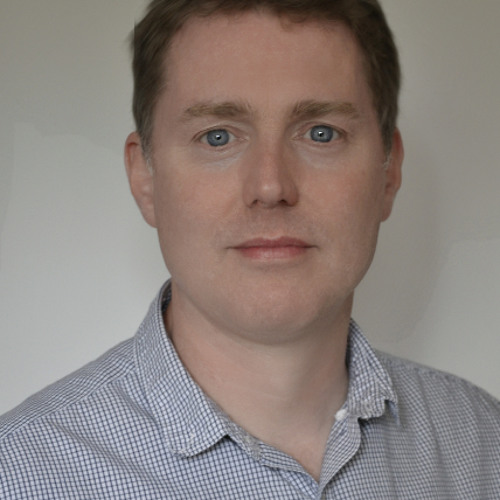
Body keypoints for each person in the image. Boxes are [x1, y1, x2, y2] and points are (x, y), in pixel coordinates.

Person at [1, 0, 499, 498]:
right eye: (217, 137)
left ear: (389, 173)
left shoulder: (484, 444)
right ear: (145, 179)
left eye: (321, 133)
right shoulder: (18, 475)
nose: (270, 186)